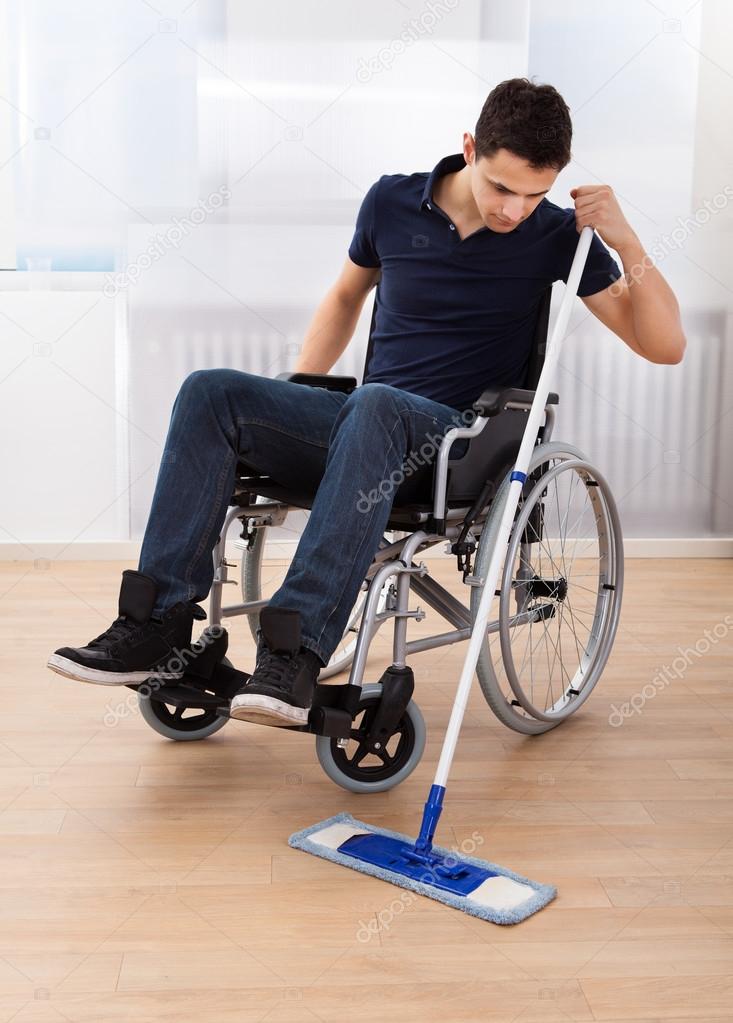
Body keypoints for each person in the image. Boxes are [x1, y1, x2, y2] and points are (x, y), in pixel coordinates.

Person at [47, 77, 685, 728]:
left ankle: (293, 648)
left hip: (455, 448)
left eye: (534, 194)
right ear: (469, 148)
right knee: (211, 391)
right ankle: (157, 625)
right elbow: (345, 297)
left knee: (377, 402)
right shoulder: (390, 201)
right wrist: (294, 392)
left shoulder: (554, 235)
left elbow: (662, 345)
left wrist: (626, 239)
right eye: (501, 188)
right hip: (363, 423)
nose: (513, 210)